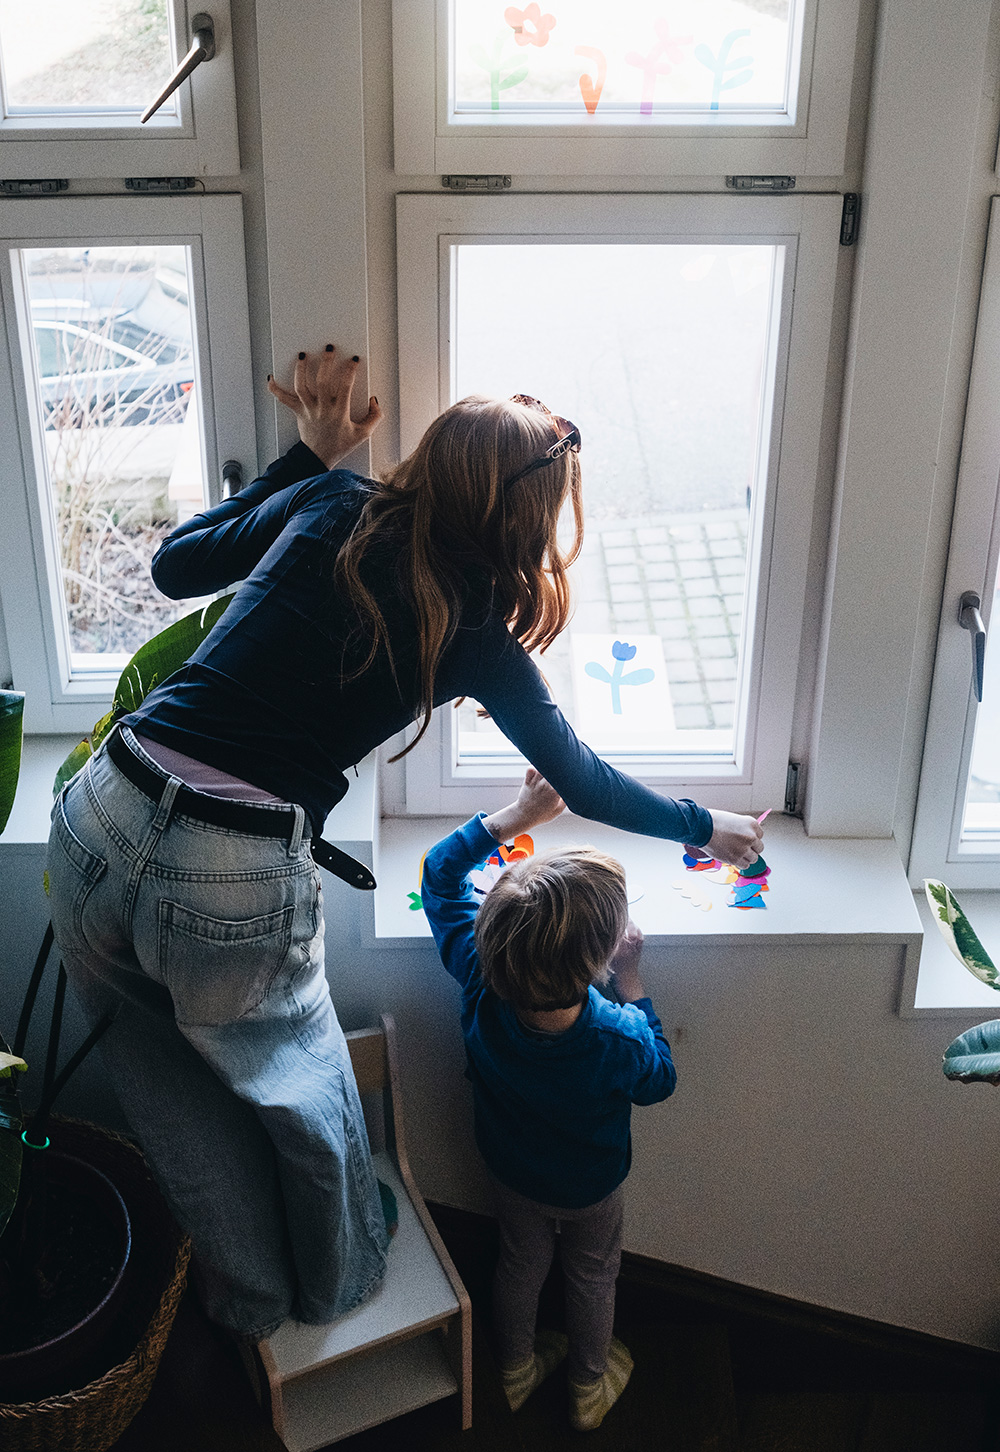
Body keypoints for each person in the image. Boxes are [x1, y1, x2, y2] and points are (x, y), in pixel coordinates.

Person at [46, 345, 761, 1343]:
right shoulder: (473, 630)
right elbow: (583, 779)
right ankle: (323, 1295)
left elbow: (173, 566)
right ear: (525, 520)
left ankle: (249, 1298)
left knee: (167, 1094)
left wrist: (307, 458)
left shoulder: (335, 506)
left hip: (98, 812)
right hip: (226, 867)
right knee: (304, 1101)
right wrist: (708, 827)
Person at [420, 767, 675, 1432]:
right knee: (593, 1274)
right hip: (592, 1187)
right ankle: (589, 1387)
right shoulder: (616, 1037)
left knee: (518, 1263)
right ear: (595, 963)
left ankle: (514, 1368)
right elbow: (659, 1082)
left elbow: (440, 877)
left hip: (510, 1171)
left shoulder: (479, 978)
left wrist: (519, 813)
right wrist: (635, 983)